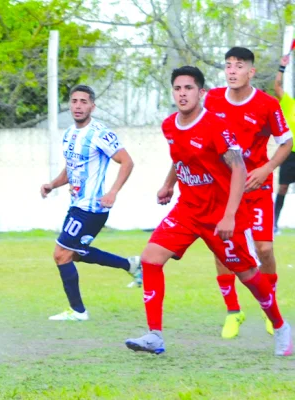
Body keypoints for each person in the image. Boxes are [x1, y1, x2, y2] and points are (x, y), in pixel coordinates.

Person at [125, 66, 292, 357]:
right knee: (151, 259)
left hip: (219, 215)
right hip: (187, 211)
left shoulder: (216, 126)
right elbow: (181, 159)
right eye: (177, 88)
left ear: (201, 93)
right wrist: (168, 185)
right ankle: (154, 335)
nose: (182, 93)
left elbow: (239, 169)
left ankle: (280, 326)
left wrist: (229, 215)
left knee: (248, 274)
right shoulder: (169, 125)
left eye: (189, 88)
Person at [204, 47, 292, 339]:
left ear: (250, 72)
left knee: (264, 249)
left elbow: (285, 143)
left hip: (256, 187)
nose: (231, 70)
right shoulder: (212, 99)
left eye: (238, 66)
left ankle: (271, 310)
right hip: (222, 189)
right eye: (228, 65)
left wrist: (266, 169)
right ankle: (233, 311)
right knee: (223, 248)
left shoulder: (267, 104)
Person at [39, 84, 142, 322]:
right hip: (77, 205)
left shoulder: (100, 133)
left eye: (83, 101)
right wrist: (52, 185)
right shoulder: (70, 134)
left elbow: (127, 162)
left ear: (92, 106)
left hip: (92, 208)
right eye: (74, 101)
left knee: (61, 255)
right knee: (74, 254)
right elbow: (71, 169)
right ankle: (130, 264)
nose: (78, 106)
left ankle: (78, 312)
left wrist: (113, 192)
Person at [274, 54, 295, 232]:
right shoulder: (289, 103)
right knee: (282, 188)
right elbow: (277, 87)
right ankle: (274, 224)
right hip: (290, 154)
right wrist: (282, 67)